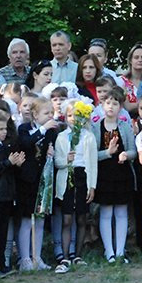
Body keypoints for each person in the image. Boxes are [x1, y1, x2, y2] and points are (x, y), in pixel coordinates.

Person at [91, 86, 136, 263]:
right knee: (106, 212)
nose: (110, 106)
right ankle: (109, 250)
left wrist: (126, 155)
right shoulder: (96, 127)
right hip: (104, 174)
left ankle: (120, 250)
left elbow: (133, 150)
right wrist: (108, 153)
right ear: (102, 105)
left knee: (121, 212)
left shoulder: (125, 126)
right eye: (107, 102)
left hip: (122, 174)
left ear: (120, 106)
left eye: (115, 103)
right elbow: (92, 154)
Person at [54, 100, 98, 272]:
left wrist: (92, 186)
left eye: (77, 116)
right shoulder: (61, 137)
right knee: (66, 218)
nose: (73, 119)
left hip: (83, 176)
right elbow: (57, 162)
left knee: (81, 217)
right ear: (65, 117)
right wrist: (66, 160)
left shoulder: (88, 136)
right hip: (67, 178)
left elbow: (93, 163)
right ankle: (64, 257)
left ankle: (77, 255)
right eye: (70, 116)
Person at [15, 97, 58, 272]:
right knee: (26, 219)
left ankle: (37, 257)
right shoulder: (24, 128)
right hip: (27, 180)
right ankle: (25, 258)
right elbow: (26, 143)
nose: (50, 116)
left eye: (52, 113)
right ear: (35, 114)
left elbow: (52, 147)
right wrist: (42, 129)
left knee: (40, 219)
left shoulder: (52, 131)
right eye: (46, 113)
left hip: (44, 179)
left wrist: (51, 153)